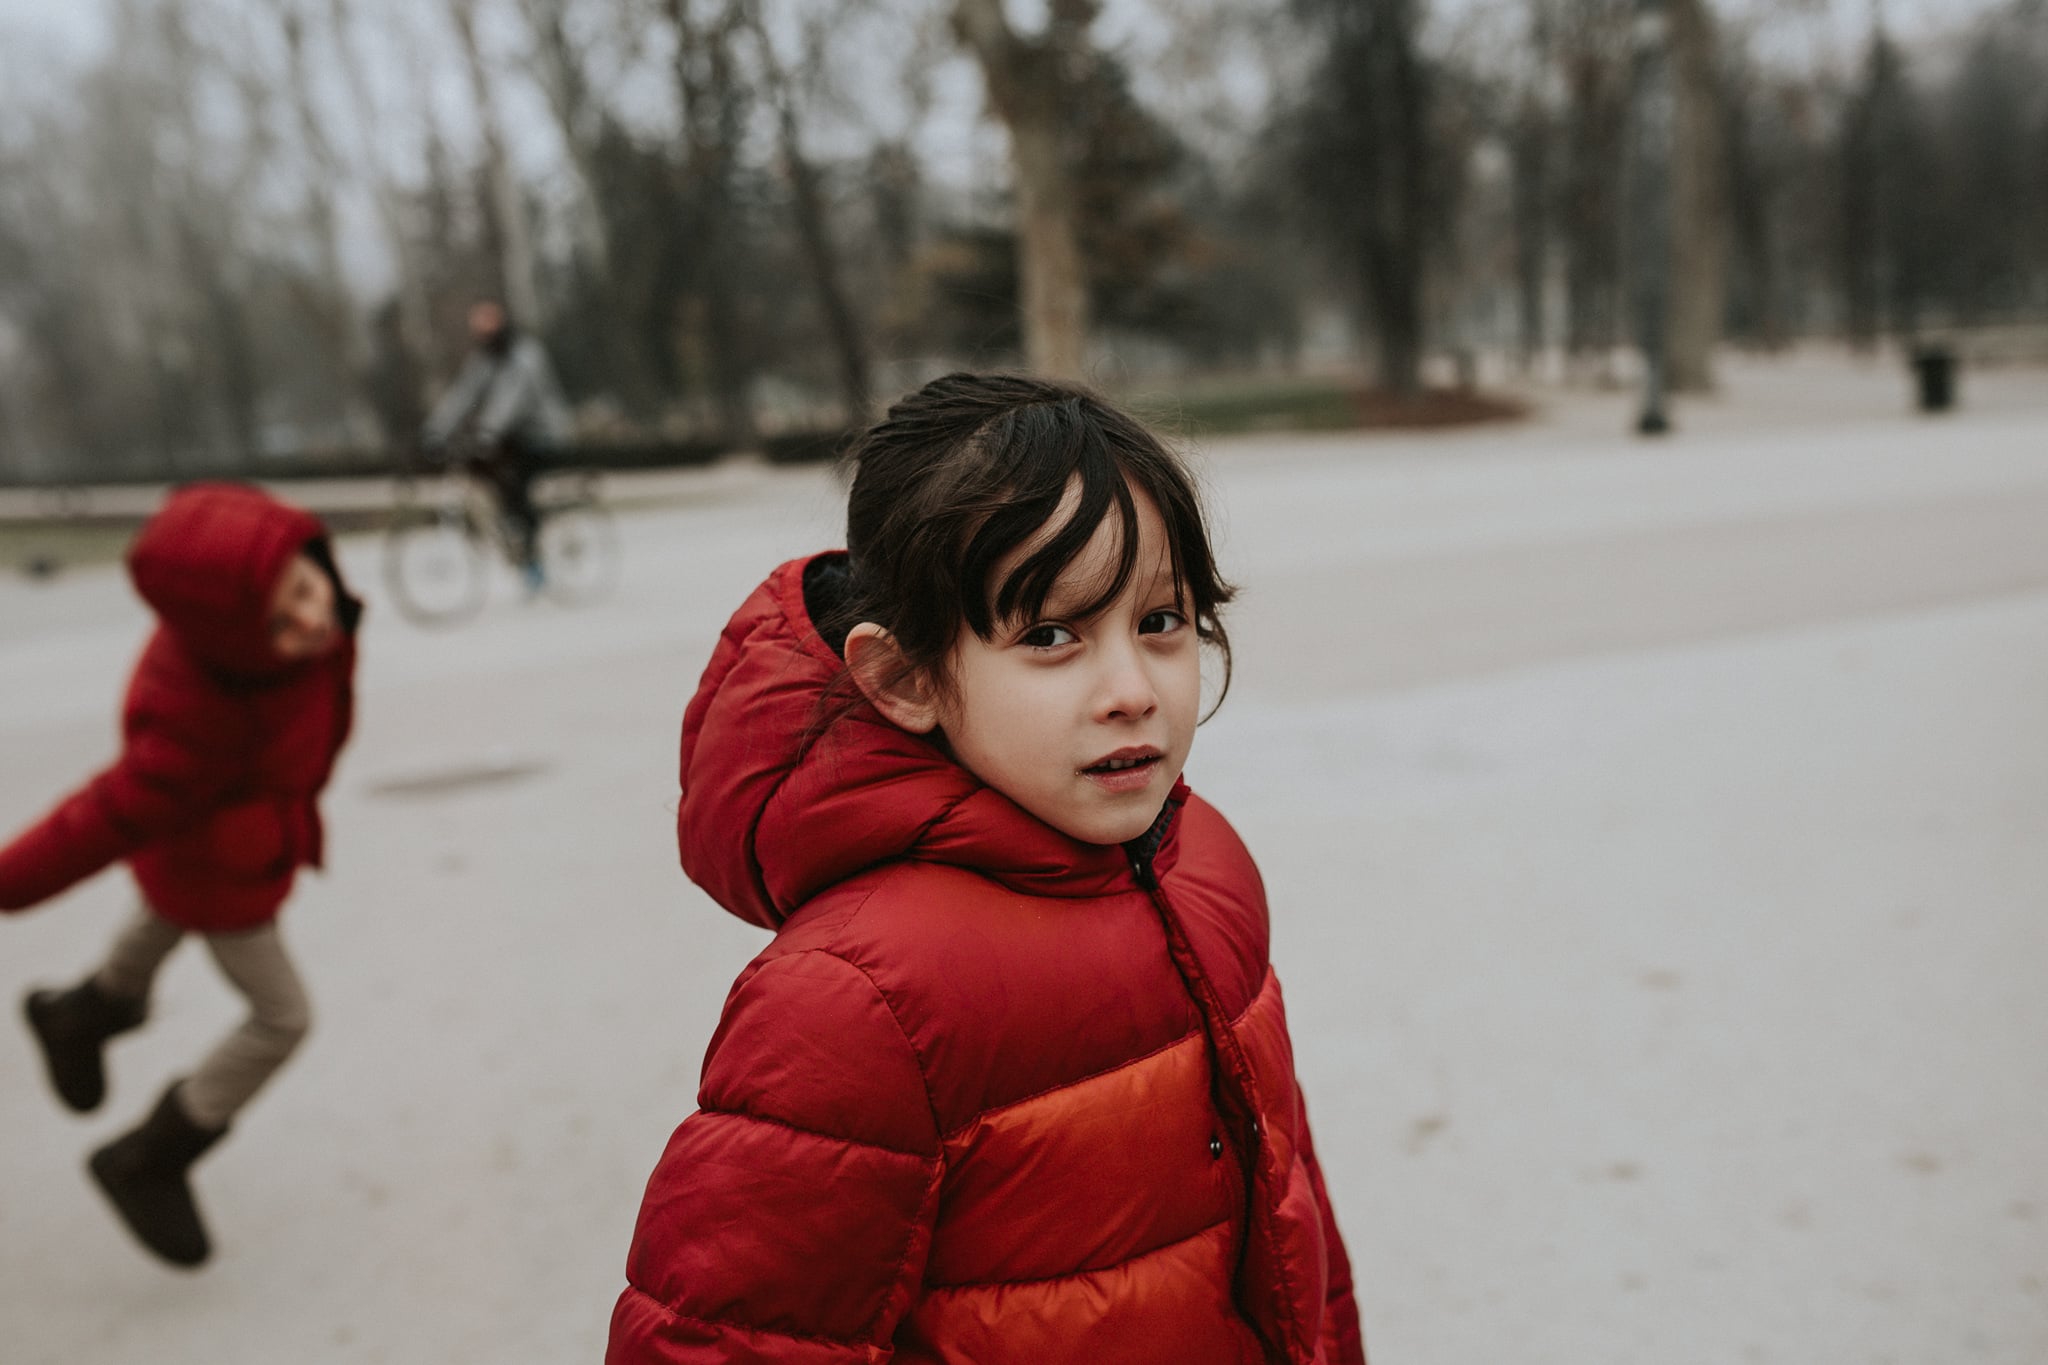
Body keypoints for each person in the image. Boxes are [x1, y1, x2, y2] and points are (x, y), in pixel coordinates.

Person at [608, 374, 1365, 1363]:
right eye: (1050, 636)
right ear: (904, 678)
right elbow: (722, 1339)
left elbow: (1287, 1218)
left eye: (1159, 621)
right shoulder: (857, 1001)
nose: (1131, 690)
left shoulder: (1201, 864)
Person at [0, 483, 362, 1268]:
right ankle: (151, 1156)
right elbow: (102, 815)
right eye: (279, 621)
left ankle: (80, 1014)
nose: (311, 619)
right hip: (220, 869)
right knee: (282, 1018)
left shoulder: (256, 642)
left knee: (161, 911)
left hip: (206, 845)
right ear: (233, 640)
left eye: (307, 587)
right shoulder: (201, 710)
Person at [420, 299, 573, 588]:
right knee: (493, 483)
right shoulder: (484, 360)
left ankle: (532, 555)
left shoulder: (526, 355)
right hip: (509, 437)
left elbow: (511, 399)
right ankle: (512, 534)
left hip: (542, 435)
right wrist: (436, 429)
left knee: (516, 487)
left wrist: (487, 432)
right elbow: (462, 394)